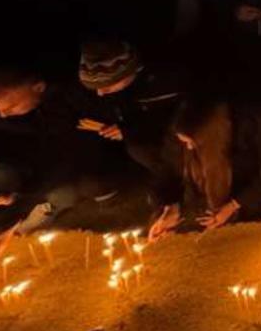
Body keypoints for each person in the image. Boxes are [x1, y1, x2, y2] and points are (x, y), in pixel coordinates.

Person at [0, 67, 104, 251]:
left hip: (54, 173)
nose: (3, 115)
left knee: (63, 194)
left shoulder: (69, 106)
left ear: (38, 87)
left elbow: (61, 162)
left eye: (10, 107)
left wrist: (18, 205)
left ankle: (26, 219)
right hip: (20, 168)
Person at [76, 41, 186, 240]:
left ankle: (173, 201)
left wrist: (129, 132)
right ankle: (166, 203)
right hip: (144, 151)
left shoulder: (166, 84)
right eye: (96, 87)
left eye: (106, 86)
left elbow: (173, 124)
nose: (100, 93)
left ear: (130, 71)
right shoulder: (114, 94)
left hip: (177, 145)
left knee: (140, 149)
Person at [169, 95, 261, 231]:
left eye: (191, 142)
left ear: (208, 137)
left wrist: (234, 205)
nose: (189, 148)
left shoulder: (254, 122)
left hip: (256, 188)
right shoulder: (192, 137)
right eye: (185, 143)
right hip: (228, 194)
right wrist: (172, 208)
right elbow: (172, 173)